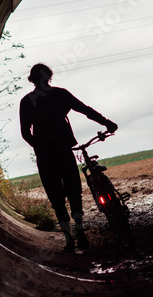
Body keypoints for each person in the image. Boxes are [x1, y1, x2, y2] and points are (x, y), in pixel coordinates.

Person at [19, 63, 118, 252]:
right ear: (49, 76)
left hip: (45, 156)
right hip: (64, 151)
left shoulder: (27, 101)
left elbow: (25, 133)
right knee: (74, 193)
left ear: (32, 79)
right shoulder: (60, 94)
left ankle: (68, 240)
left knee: (56, 198)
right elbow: (85, 110)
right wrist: (107, 123)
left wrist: (39, 146)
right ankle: (79, 233)